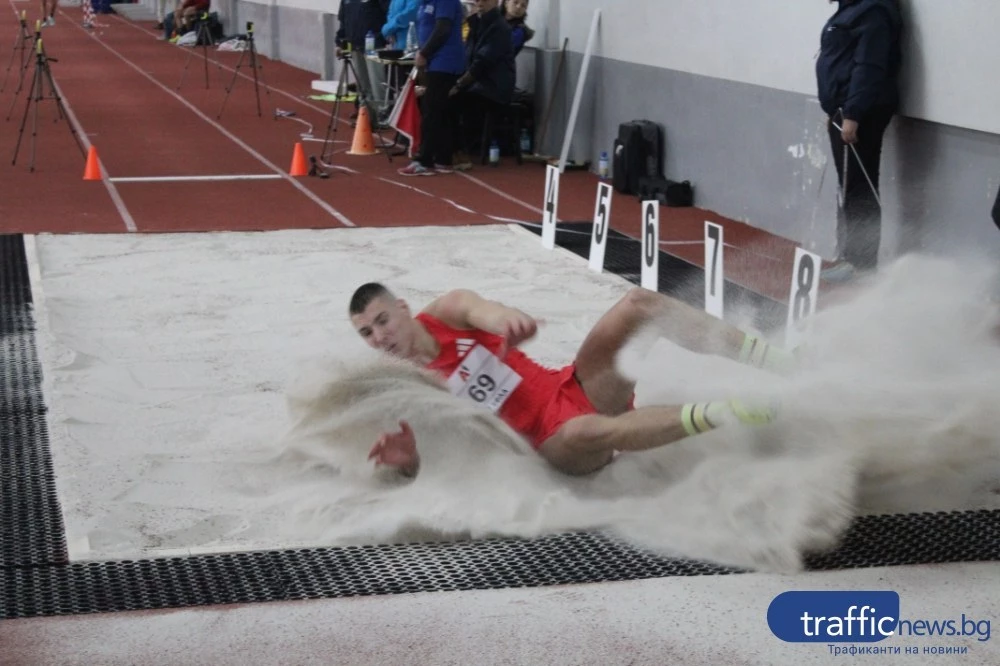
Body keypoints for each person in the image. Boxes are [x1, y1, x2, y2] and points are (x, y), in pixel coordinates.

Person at [349, 283, 795, 477]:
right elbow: (438, 458)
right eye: (367, 333)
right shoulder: (403, 385)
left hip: (570, 388)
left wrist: (508, 320)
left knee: (638, 304)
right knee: (588, 429)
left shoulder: (447, 310)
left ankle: (776, 361)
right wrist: (409, 462)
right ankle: (730, 411)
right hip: (552, 443)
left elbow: (484, 310)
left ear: (403, 308)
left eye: (383, 321)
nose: (380, 337)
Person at [815, 0, 902, 283]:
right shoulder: (850, 11)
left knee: (859, 189)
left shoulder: (873, 13)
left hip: (862, 112)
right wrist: (835, 111)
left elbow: (869, 66)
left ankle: (862, 266)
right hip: (844, 110)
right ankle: (850, 259)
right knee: (850, 187)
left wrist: (852, 113)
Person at [397, 0, 466, 176]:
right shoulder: (424, 3)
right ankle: (443, 159)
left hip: (445, 62)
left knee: (431, 111)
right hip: (434, 63)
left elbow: (443, 29)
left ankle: (424, 160)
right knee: (440, 111)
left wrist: (424, 52)